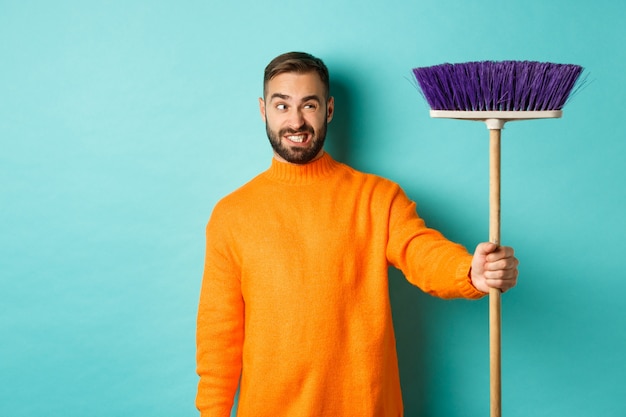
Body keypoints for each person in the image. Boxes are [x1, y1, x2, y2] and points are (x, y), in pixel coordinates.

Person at [196, 51, 519, 417]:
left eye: (309, 105)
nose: (296, 121)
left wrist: (470, 272)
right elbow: (218, 334)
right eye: (282, 106)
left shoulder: (376, 198)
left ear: (329, 110)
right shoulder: (232, 214)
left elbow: (421, 251)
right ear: (263, 110)